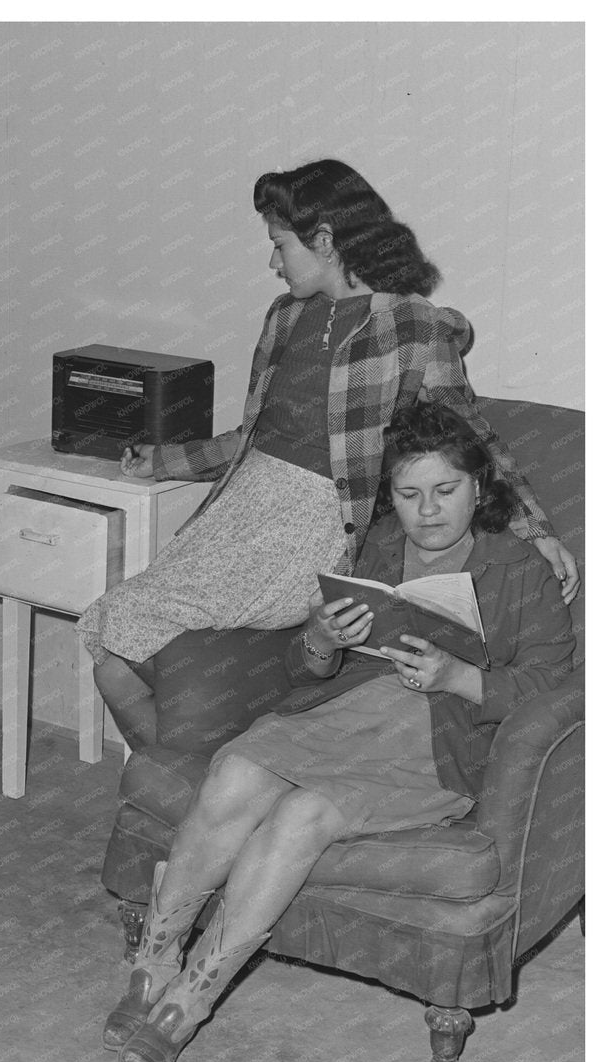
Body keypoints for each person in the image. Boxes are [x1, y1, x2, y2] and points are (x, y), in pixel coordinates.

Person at [103, 402, 576, 1062]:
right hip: (344, 713)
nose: (429, 511)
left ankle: (188, 1001)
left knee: (305, 814)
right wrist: (321, 639)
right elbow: (308, 668)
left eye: (446, 491)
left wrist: (462, 677)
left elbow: (552, 688)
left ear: (479, 488)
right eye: (411, 495)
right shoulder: (379, 543)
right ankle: (154, 961)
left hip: (434, 744)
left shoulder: (521, 569)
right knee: (235, 769)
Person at [78, 159, 578, 727]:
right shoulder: (284, 318)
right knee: (109, 654)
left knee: (124, 615)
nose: (273, 262)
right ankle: (198, 758)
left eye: (280, 245)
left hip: (313, 522)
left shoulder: (412, 326)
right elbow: (251, 439)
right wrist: (164, 459)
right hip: (243, 507)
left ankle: (238, 735)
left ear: (324, 239)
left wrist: (537, 531)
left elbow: (473, 440)